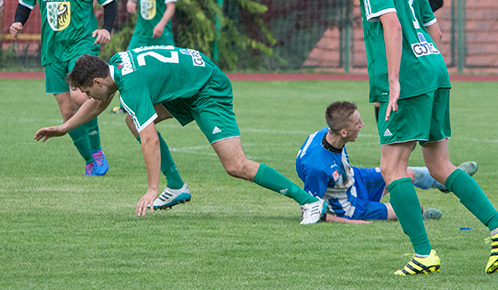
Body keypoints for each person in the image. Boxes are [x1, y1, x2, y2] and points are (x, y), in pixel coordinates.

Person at [354, 0, 498, 275]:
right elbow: (437, 30)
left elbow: (392, 26)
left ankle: (424, 254)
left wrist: (395, 79)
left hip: (407, 76)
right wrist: (425, 68)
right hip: (433, 67)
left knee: (391, 167)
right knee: (440, 164)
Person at [33, 49, 328, 222]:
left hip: (207, 89)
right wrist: (64, 127)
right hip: (188, 83)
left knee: (236, 165)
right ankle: (176, 187)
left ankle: (309, 201)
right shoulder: (116, 65)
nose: (86, 98)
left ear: (97, 80)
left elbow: (149, 139)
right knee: (133, 123)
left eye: (85, 92)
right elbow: (100, 100)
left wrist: (151, 189)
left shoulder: (131, 85)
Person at [10, 0, 117, 177]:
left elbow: (110, 2)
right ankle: (90, 159)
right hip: (52, 51)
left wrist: (106, 29)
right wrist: (18, 22)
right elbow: (25, 3)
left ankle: (98, 151)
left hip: (81, 45)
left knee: (82, 97)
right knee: (68, 111)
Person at [296, 101, 479, 223]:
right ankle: (422, 213)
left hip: (354, 178)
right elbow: (313, 211)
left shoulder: (328, 133)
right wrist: (351, 222)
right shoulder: (317, 167)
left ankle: (447, 180)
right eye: (357, 123)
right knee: (410, 208)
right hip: (349, 207)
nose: (363, 125)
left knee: (404, 172)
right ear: (343, 132)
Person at [110, 0, 191, 209]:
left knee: (167, 71)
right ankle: (129, 103)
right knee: (130, 69)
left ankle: (164, 100)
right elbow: (132, 2)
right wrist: (131, 5)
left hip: (160, 34)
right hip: (141, 34)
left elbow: (171, 6)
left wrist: (161, 23)